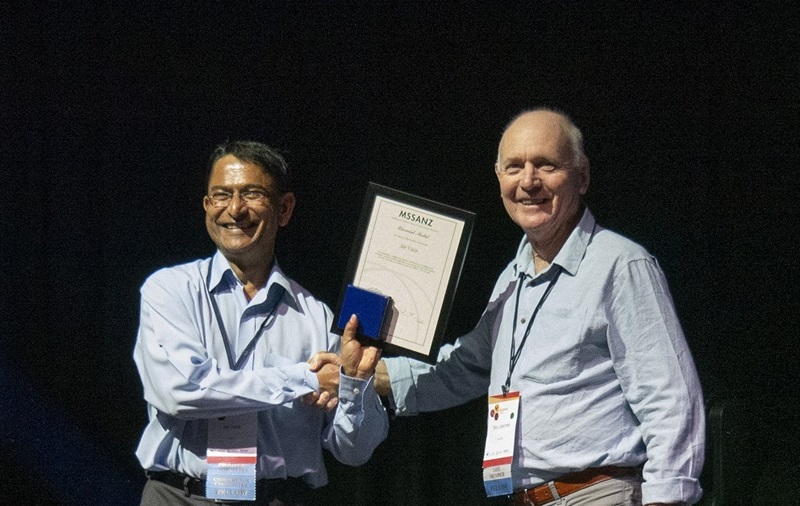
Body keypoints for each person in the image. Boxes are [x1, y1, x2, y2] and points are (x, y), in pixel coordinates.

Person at [313, 108, 705, 505]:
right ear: (498, 177)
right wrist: (362, 373)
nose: (528, 181)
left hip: (596, 493)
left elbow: (670, 402)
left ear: (582, 177)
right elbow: (464, 368)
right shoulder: (512, 277)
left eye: (546, 165)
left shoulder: (620, 265)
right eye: (514, 167)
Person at [133, 140, 388, 506]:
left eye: (251, 194)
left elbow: (353, 451)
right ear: (207, 207)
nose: (234, 209)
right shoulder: (169, 291)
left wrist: (354, 385)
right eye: (221, 195)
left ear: (284, 208)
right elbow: (180, 392)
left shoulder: (315, 316)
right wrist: (304, 377)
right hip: (180, 496)